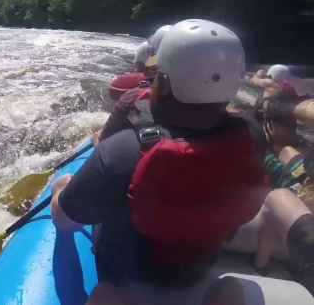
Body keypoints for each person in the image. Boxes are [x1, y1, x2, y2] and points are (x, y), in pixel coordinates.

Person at [51, 19, 270, 304]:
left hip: (125, 286)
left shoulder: (123, 153)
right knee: (230, 290)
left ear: (164, 85)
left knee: (103, 296)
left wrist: (60, 190)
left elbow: (65, 221)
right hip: (196, 279)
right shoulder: (251, 138)